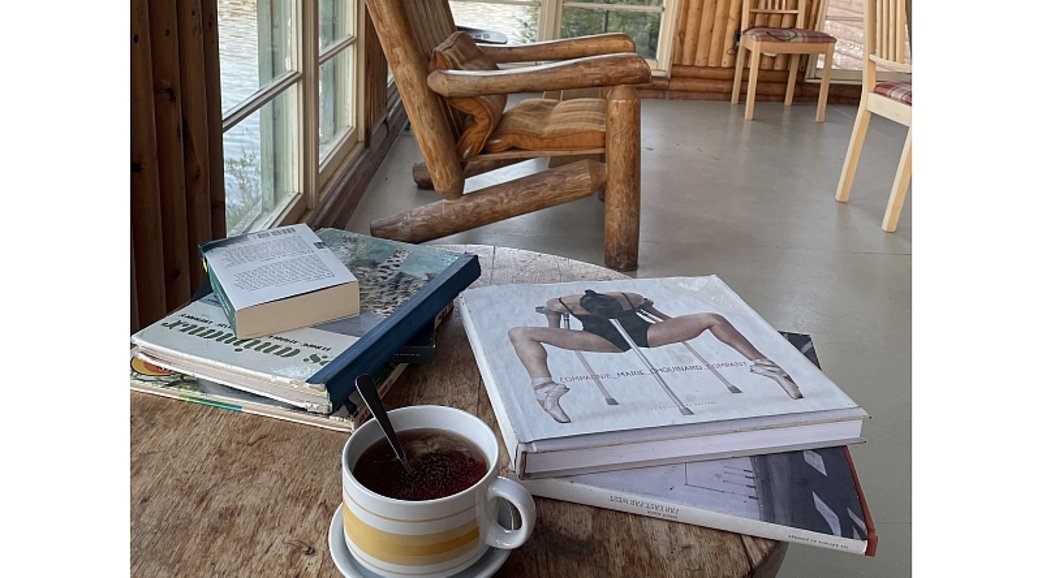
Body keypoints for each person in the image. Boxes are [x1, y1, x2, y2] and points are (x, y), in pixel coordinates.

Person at [507, 289, 802, 423]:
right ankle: (545, 389)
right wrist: (560, 334)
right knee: (519, 332)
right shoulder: (560, 303)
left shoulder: (630, 297)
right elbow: (556, 329)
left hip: (646, 333)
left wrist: (682, 327)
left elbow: (662, 318)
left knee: (712, 317)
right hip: (600, 340)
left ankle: (766, 365)